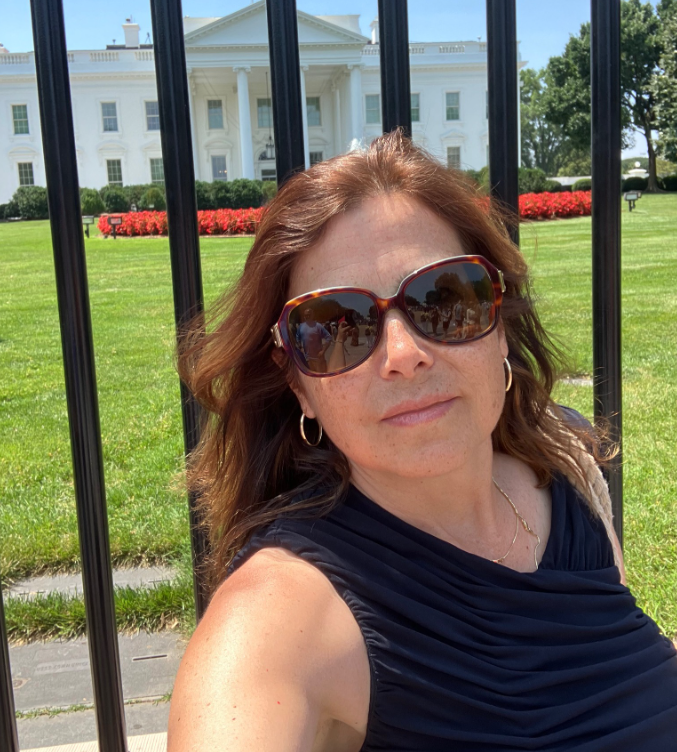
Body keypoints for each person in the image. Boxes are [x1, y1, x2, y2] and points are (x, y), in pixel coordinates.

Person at [169, 131, 677, 752]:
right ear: (298, 384)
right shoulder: (276, 621)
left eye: (446, 299)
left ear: (499, 326)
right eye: (338, 328)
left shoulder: (563, 467)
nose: (403, 354)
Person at [295, 307, 332, 373]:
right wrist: (300, 347)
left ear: (313, 315)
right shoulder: (301, 326)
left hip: (318, 358)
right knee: (311, 376)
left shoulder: (318, 326)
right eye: (306, 315)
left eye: (309, 315)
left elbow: (329, 337)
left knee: (321, 376)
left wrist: (323, 351)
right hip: (307, 358)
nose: (307, 316)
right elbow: (297, 337)